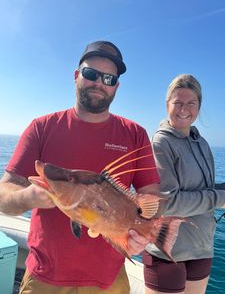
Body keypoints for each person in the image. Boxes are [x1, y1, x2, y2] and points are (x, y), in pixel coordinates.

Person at [0, 40, 160, 294]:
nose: (99, 83)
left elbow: (152, 196)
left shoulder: (135, 134)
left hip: (110, 281)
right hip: (44, 277)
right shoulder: (41, 128)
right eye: (91, 74)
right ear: (76, 76)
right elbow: (3, 195)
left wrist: (145, 233)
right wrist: (27, 196)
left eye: (108, 78)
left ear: (116, 86)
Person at [143, 74, 225, 294]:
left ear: (199, 106)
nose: (183, 109)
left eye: (191, 103)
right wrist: (220, 198)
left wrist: (222, 188)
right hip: (166, 251)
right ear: (167, 104)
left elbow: (204, 187)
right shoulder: (161, 142)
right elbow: (168, 202)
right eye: (177, 102)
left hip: (202, 248)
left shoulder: (203, 143)